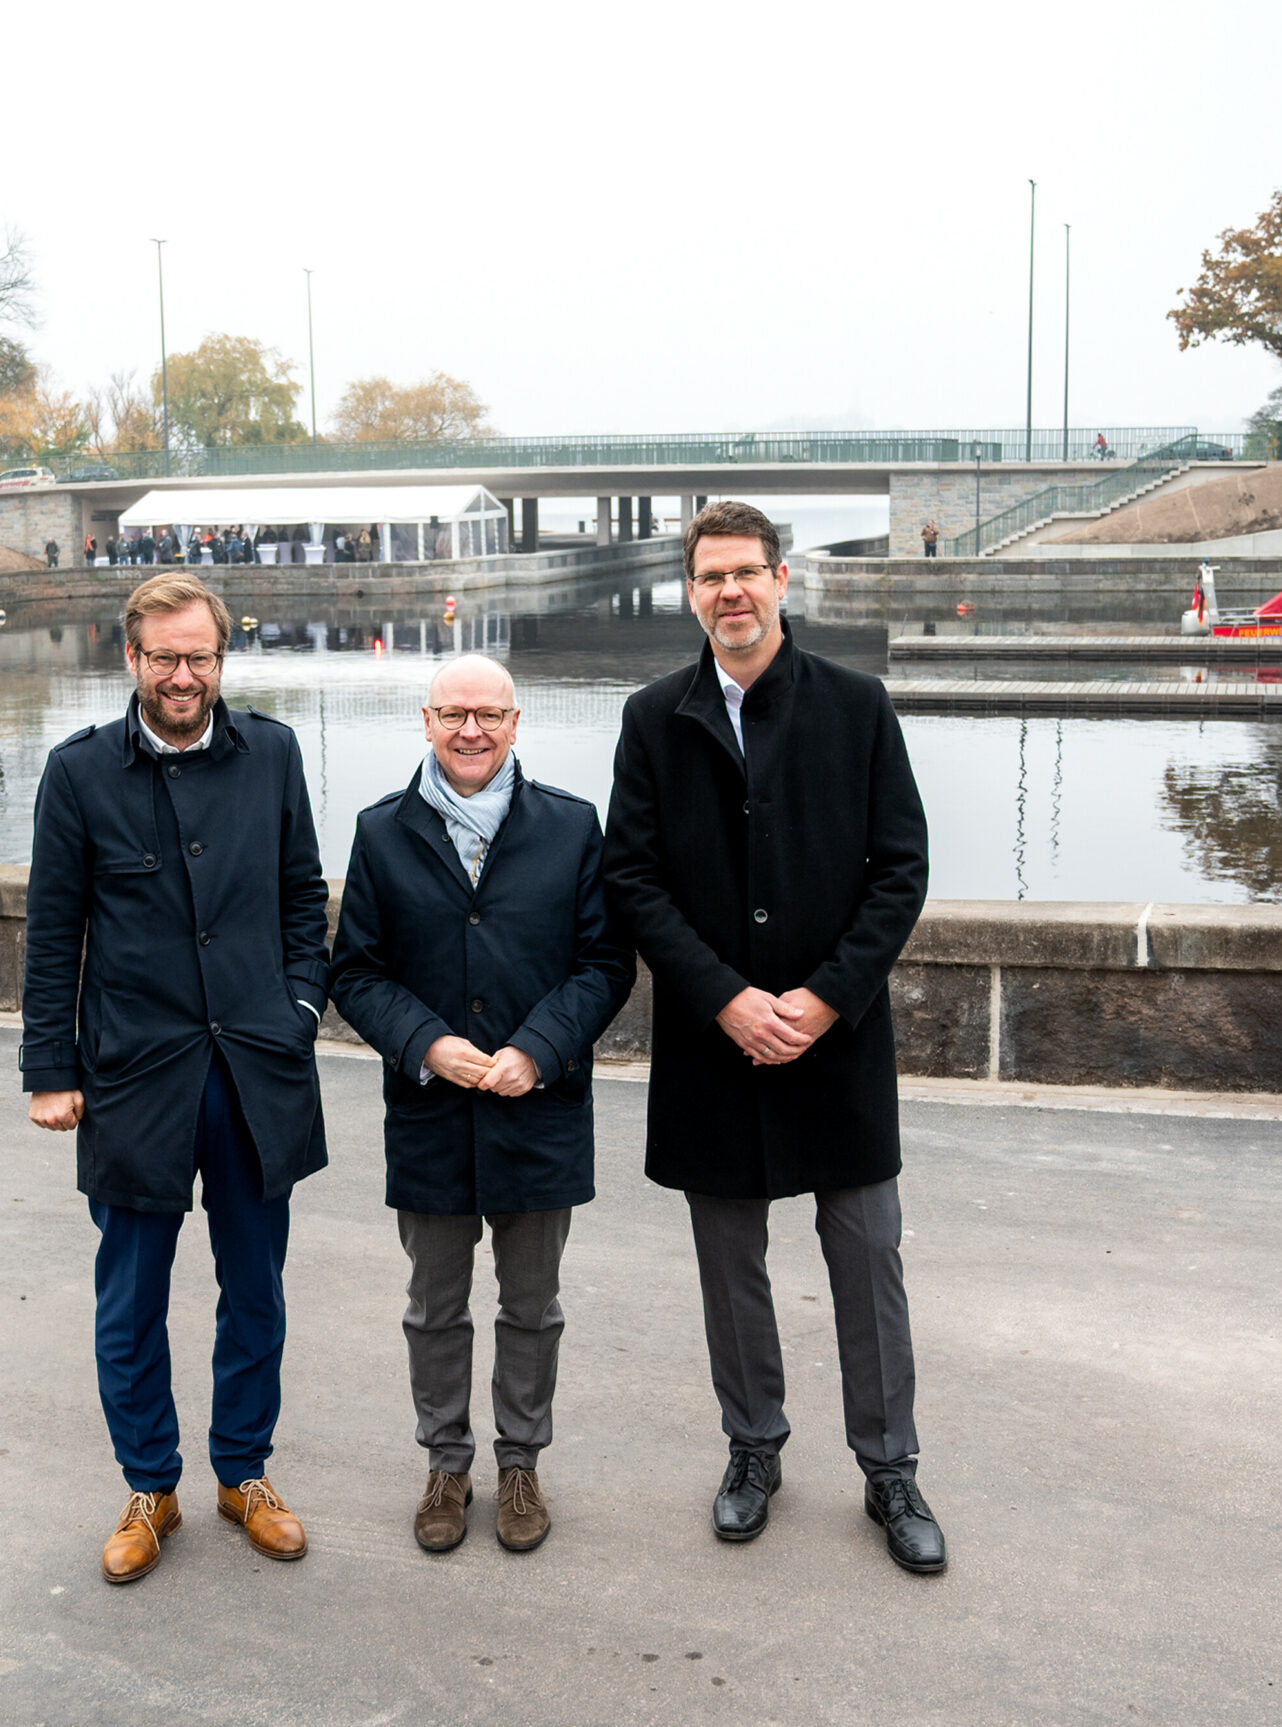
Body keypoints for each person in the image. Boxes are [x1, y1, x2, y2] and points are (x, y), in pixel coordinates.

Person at [602, 498, 945, 1575]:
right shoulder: (653, 717)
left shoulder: (856, 705)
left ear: (782, 580)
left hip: (834, 1039)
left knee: (867, 1255)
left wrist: (825, 996)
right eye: (710, 577)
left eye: (746, 572)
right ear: (690, 591)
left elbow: (900, 869)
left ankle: (889, 1463)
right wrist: (724, 998)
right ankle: (753, 1447)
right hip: (715, 1042)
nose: (730, 593)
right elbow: (632, 878)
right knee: (729, 1265)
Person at [21, 571, 331, 1586]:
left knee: (255, 1291)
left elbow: (301, 898)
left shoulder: (273, 753)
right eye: (164, 656)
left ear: (220, 657)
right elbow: (52, 934)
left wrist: (295, 1010)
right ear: (131, 659)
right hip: (134, 1077)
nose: (183, 673)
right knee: (130, 1301)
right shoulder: (77, 774)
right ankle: (150, 1484)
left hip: (254, 1070)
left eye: (199, 655)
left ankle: (243, 1473)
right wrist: (49, 1067)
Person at [328, 654, 633, 1556]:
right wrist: (427, 1044)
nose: (471, 730)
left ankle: (520, 1462)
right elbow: (355, 970)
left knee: (532, 1305)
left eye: (488, 715)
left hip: (537, 1111)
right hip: (430, 1112)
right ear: (426, 721)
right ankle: (447, 1463)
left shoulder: (572, 828)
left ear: (515, 723)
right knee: (434, 1305)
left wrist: (537, 1051)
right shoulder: (381, 832)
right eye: (454, 713)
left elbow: (605, 964)